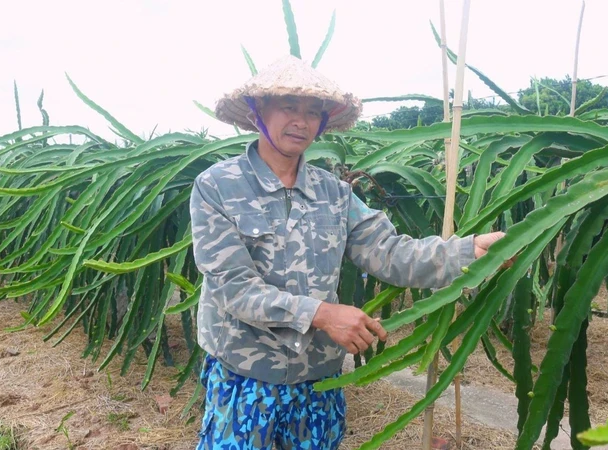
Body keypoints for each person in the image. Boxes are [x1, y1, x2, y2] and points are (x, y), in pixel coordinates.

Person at [190, 55, 505, 450]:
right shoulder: (217, 187)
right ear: (257, 112)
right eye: (289, 107)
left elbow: (389, 252)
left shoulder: (335, 193)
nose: (301, 121)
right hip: (246, 374)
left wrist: (469, 251)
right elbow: (234, 288)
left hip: (319, 378)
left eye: (312, 112)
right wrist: (322, 314)